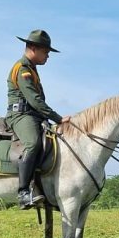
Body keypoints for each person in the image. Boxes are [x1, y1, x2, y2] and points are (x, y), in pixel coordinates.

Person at [7, 30, 71, 209]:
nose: (48, 56)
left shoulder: (32, 70)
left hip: (34, 115)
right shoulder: (22, 69)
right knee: (33, 143)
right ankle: (23, 192)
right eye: (45, 51)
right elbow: (35, 100)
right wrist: (57, 118)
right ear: (33, 48)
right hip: (21, 115)